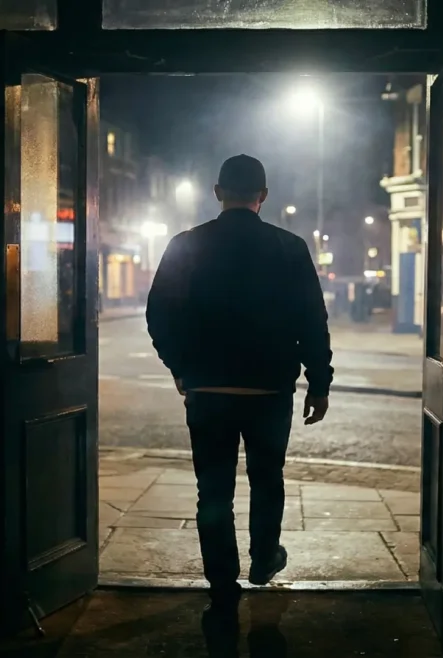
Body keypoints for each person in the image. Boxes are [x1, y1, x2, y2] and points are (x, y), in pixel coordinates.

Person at [146, 154, 333, 609]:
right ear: (263, 197)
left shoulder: (185, 244)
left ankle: (221, 582)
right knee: (267, 478)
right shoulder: (289, 247)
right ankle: (264, 558)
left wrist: (180, 367)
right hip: (270, 390)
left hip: (207, 390)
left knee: (213, 488)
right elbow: (312, 319)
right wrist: (319, 381)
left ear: (217, 193)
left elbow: (159, 315)